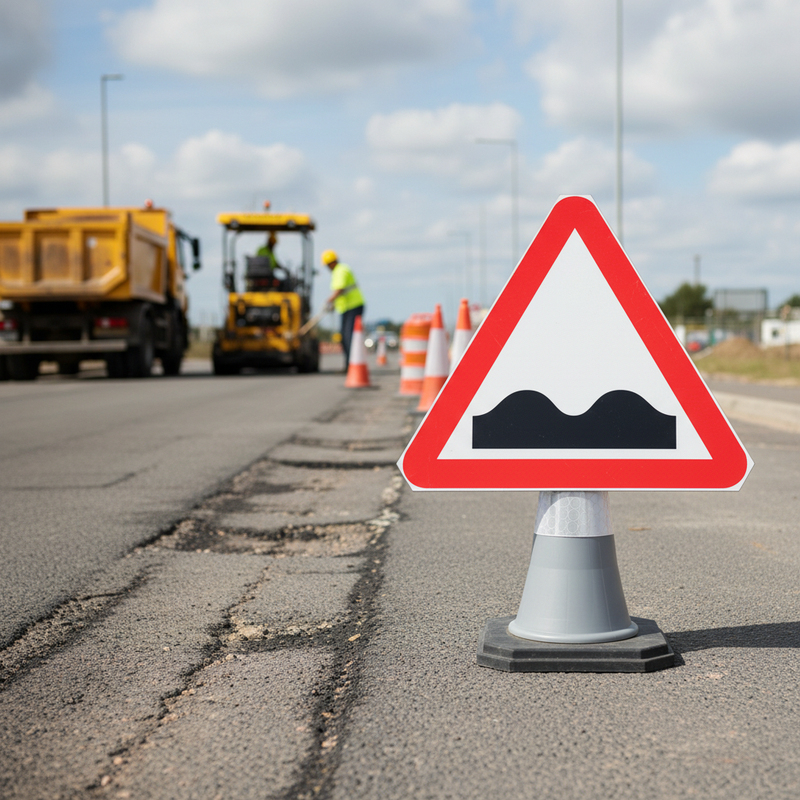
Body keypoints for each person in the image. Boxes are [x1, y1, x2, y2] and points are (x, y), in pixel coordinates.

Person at [321, 250, 365, 370]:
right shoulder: (339, 271)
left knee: (348, 336)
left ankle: (352, 365)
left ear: (331, 263)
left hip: (353, 306)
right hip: (346, 308)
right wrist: (334, 304)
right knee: (344, 336)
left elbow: (339, 289)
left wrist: (329, 301)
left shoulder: (340, 270)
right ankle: (349, 364)